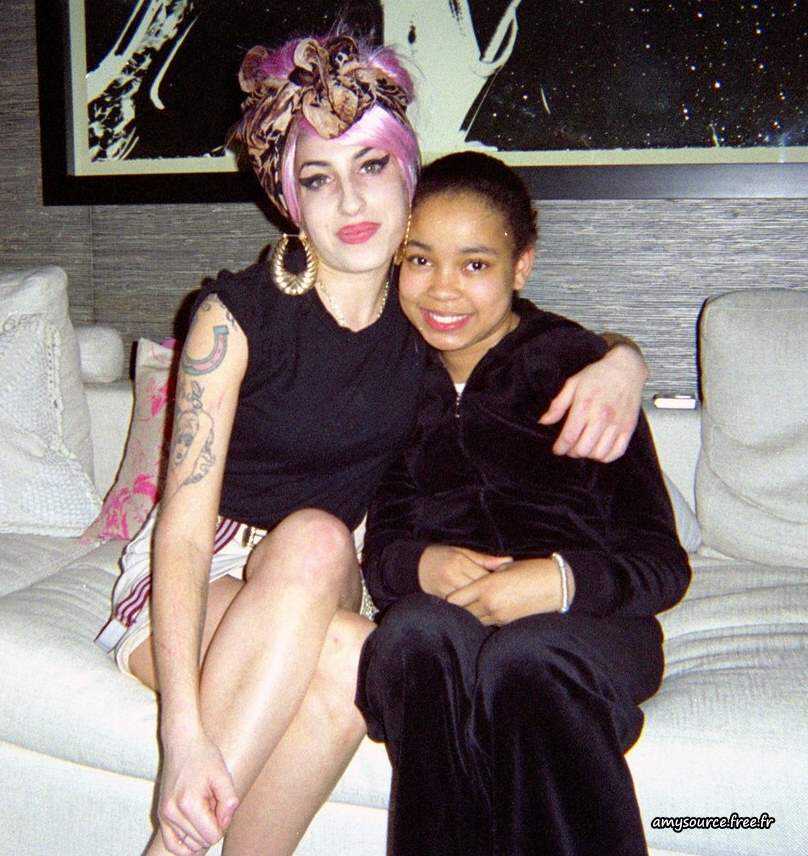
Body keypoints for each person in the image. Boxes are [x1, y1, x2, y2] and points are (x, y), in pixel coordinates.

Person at [95, 33, 649, 856]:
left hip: (329, 581)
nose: (350, 201)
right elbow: (180, 528)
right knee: (329, 573)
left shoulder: (426, 306)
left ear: (406, 172)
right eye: (319, 177)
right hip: (201, 574)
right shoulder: (233, 318)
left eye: (371, 166)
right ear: (291, 197)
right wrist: (182, 734)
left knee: (360, 636)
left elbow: (528, 332)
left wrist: (624, 359)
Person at [357, 151, 692, 856]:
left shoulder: (578, 373)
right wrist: (422, 565)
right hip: (448, 622)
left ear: (521, 268)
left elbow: (661, 564)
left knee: (526, 658)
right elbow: (381, 551)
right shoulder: (390, 383)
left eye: (475, 264)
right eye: (420, 260)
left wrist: (557, 581)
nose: (442, 289)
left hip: (586, 627)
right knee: (411, 636)